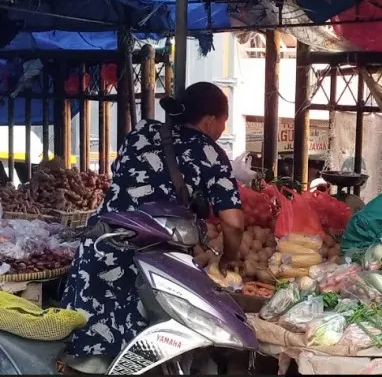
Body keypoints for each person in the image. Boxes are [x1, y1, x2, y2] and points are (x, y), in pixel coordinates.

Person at [59, 82, 245, 373]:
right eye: (224, 122)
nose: (222, 129)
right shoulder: (210, 152)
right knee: (145, 355)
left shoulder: (141, 134)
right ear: (210, 120)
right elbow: (233, 223)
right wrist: (230, 258)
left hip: (101, 247)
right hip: (149, 267)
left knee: (89, 357)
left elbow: (125, 183)